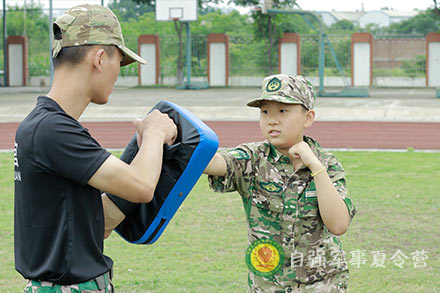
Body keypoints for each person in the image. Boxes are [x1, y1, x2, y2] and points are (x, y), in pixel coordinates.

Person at [14, 4, 177, 292]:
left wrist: (142, 152)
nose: (119, 75)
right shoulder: (54, 130)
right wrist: (154, 132)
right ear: (100, 58)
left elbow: (91, 221)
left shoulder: (46, 125)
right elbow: (140, 186)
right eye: (120, 62)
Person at [204, 74, 357, 292]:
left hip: (322, 284)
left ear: (308, 118)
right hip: (269, 285)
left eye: (283, 111)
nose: (272, 120)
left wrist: (315, 166)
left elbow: (339, 224)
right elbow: (214, 163)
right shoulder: (253, 158)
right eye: (265, 111)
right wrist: (177, 139)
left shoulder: (327, 164)